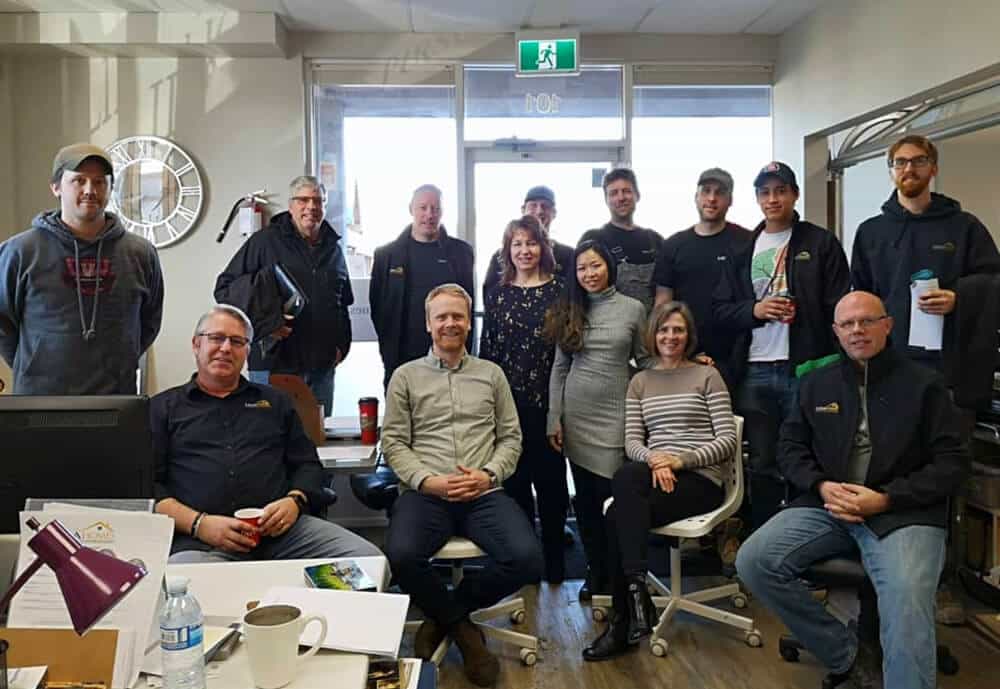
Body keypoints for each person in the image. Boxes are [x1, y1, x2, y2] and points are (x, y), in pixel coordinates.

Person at [736, 291, 969, 689]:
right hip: (829, 506)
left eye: (867, 321)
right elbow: (789, 449)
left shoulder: (924, 385)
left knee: (907, 595)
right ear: (836, 332)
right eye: (848, 324)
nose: (857, 330)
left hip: (902, 510)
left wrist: (888, 498)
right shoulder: (814, 383)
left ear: (888, 325)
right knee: (754, 561)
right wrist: (822, 486)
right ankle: (846, 654)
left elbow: (953, 463)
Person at [382, 284, 542, 688]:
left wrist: (488, 474)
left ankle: (447, 613)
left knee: (526, 558)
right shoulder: (405, 376)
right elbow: (394, 442)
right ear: (428, 323)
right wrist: (428, 481)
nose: (450, 323)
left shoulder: (491, 375)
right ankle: (466, 633)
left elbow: (511, 438)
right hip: (426, 493)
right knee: (400, 555)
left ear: (469, 323)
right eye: (442, 316)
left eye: (458, 316)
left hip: (483, 492)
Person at [151, 304, 382, 564]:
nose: (226, 348)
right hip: (202, 540)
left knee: (368, 561)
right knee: (190, 584)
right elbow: (150, 487)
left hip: (282, 535)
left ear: (247, 351)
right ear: (196, 344)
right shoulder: (162, 408)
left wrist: (294, 502)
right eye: (216, 338)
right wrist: (200, 524)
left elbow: (308, 464)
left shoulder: (275, 402)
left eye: (237, 341)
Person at [582, 301, 737, 660]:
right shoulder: (641, 380)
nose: (671, 336)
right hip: (655, 475)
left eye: (678, 330)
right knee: (624, 482)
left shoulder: (707, 375)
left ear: (688, 335)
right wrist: (655, 459)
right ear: (653, 335)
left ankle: (626, 619)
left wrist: (679, 460)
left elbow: (727, 439)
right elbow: (633, 441)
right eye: (664, 330)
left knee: (616, 513)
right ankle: (636, 595)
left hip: (700, 480)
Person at [714, 161, 850, 528]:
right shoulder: (743, 249)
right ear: (757, 198)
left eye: (780, 191)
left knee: (809, 458)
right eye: (765, 192)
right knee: (761, 462)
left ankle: (808, 544)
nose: (772, 199)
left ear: (795, 195)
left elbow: (840, 306)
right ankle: (763, 541)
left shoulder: (820, 243)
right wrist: (755, 309)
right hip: (754, 370)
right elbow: (721, 311)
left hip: (806, 368)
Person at [851, 134, 1000, 413]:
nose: (909, 169)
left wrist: (959, 297)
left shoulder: (965, 227)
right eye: (901, 162)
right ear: (892, 171)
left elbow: (994, 280)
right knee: (895, 454)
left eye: (919, 161)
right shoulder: (870, 233)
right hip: (891, 367)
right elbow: (860, 297)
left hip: (952, 371)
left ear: (934, 169)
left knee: (951, 452)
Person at [0, 143, 164, 394]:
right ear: (56, 187)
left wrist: (118, 363)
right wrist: (32, 365)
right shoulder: (19, 251)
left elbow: (149, 323)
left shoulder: (141, 254)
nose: (90, 190)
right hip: (39, 402)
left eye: (100, 182)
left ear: (110, 188)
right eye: (79, 180)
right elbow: (3, 325)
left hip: (115, 400)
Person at [545, 239, 652, 602]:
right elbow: (560, 368)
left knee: (612, 504)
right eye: (581, 268)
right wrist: (553, 417)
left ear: (609, 267)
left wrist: (685, 366)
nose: (589, 274)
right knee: (586, 504)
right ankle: (595, 571)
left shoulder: (634, 309)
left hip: (618, 417)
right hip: (575, 417)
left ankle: (621, 575)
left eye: (595, 265)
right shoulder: (570, 309)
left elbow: (646, 360)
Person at [214, 176, 352, 416]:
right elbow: (225, 290)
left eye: (318, 201)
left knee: (314, 443)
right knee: (269, 441)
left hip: (321, 369)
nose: (311, 206)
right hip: (273, 366)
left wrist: (342, 346)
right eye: (303, 200)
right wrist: (266, 324)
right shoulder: (264, 242)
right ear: (291, 206)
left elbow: (343, 302)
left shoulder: (334, 250)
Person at [479, 215, 569, 584]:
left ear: (542, 247)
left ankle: (556, 565)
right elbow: (489, 351)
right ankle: (524, 566)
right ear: (507, 250)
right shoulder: (497, 293)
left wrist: (560, 412)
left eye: (531, 243)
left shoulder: (561, 289)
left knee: (551, 490)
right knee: (514, 490)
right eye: (517, 244)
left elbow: (570, 354)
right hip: (508, 408)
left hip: (550, 407)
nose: (524, 250)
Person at [370, 185, 474, 387]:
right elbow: (378, 310)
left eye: (435, 208)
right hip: (401, 360)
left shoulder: (462, 253)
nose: (429, 214)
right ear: (411, 209)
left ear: (442, 212)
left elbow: (467, 306)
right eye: (423, 207)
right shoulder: (386, 256)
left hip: (451, 359)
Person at [654, 168, 751, 378]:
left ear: (730, 199)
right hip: (684, 356)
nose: (712, 199)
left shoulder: (746, 242)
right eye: (706, 191)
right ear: (696, 197)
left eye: (719, 192)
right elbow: (662, 305)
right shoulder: (673, 246)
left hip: (738, 358)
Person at [581, 168, 664, 312]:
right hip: (610, 327)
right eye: (613, 193)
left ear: (637, 195)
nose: (621, 198)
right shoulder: (593, 239)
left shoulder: (655, 240)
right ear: (606, 200)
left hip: (652, 327)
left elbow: (667, 289)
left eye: (626, 191)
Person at [482, 186, 573, 300]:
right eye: (533, 205)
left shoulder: (568, 255)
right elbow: (489, 296)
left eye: (545, 206)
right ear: (523, 210)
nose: (539, 211)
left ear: (554, 213)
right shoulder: (501, 256)